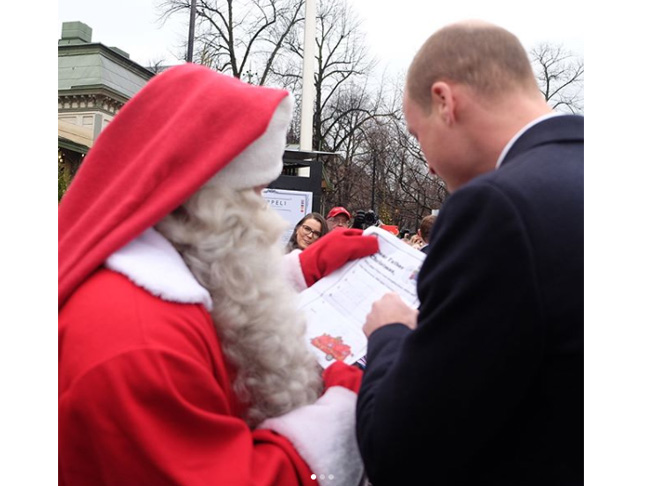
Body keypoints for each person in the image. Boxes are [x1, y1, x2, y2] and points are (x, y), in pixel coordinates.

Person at [59, 63, 379, 486]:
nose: (266, 214)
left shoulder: (143, 283)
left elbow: (213, 282)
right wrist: (343, 411)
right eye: (255, 192)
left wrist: (302, 268)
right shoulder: (138, 344)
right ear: (205, 195)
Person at [356, 20, 583, 486]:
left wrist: (390, 334)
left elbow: (400, 452)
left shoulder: (496, 208)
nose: (431, 164)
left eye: (419, 138)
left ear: (445, 101)